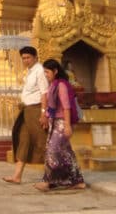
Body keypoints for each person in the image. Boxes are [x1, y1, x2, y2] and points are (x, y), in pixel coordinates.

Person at [35, 58, 86, 192]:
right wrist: (46, 116)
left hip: (63, 122)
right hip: (55, 121)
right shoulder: (53, 85)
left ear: (55, 71)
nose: (46, 75)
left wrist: (68, 126)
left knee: (52, 150)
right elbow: (51, 106)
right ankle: (77, 181)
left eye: (47, 72)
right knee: (66, 152)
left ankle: (49, 181)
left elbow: (66, 107)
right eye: (44, 72)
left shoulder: (61, 85)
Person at [2, 46, 48, 184]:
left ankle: (56, 175)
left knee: (42, 142)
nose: (25, 60)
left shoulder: (40, 71)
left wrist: (44, 113)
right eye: (23, 58)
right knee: (23, 140)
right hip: (27, 110)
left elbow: (44, 93)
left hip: (36, 110)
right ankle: (17, 176)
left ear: (35, 57)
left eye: (28, 57)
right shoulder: (29, 72)